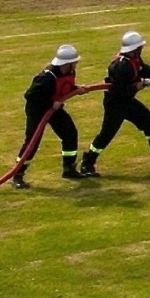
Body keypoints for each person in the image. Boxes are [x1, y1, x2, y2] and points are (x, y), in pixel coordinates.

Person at [81, 31, 150, 175]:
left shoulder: (135, 59)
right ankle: (87, 163)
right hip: (116, 103)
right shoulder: (120, 66)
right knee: (107, 134)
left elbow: (146, 71)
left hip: (127, 101)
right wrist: (137, 86)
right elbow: (118, 90)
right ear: (135, 48)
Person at [13, 44, 92, 189]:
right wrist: (51, 103)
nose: (76, 64)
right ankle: (17, 175)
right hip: (38, 110)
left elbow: (64, 88)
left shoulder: (69, 72)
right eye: (74, 62)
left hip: (53, 108)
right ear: (66, 64)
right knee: (32, 143)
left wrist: (77, 89)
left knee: (69, 133)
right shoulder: (46, 77)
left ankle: (69, 169)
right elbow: (31, 96)